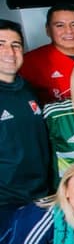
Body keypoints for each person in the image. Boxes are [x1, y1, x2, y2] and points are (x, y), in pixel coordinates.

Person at [0, 19, 53, 228]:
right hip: (6, 204)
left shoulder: (28, 90)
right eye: (1, 45)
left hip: (40, 197)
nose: (9, 52)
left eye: (15, 45)